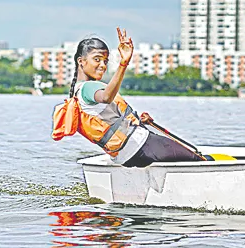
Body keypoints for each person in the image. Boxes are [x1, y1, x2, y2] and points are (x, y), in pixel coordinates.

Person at [69, 28, 203, 167]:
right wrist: (123, 63)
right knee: (200, 160)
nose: (103, 66)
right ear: (81, 61)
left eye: (105, 61)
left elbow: (110, 119)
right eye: (97, 59)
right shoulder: (88, 88)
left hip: (124, 156)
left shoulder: (77, 92)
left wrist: (139, 122)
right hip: (141, 146)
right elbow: (107, 97)